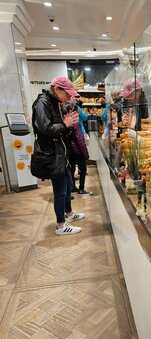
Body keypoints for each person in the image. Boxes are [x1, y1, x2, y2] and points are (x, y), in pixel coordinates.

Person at [32, 76, 85, 235]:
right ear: (56, 89)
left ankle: (69, 214)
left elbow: (60, 130)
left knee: (68, 185)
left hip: (61, 153)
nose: (69, 97)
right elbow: (45, 129)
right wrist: (65, 124)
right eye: (67, 94)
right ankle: (61, 226)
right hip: (52, 155)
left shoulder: (55, 102)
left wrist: (68, 126)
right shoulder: (42, 103)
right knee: (60, 191)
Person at [69, 98, 90, 195]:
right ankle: (81, 188)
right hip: (77, 148)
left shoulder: (64, 119)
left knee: (71, 168)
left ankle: (73, 187)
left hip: (69, 148)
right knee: (82, 168)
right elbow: (79, 139)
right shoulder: (76, 119)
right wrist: (85, 153)